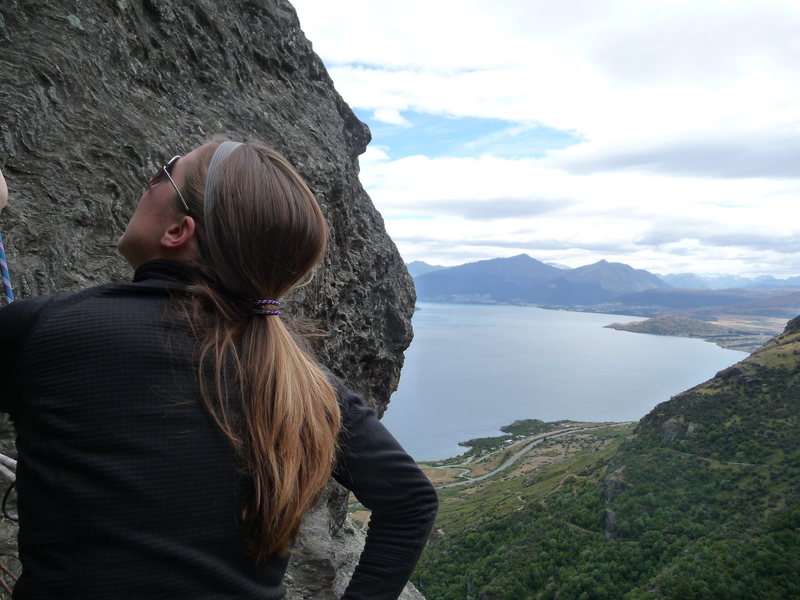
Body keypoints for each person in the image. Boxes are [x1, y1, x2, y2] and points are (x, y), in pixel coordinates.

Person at [0, 139, 438, 599]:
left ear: (179, 230)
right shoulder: (301, 381)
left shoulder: (47, 329)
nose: (147, 184)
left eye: (163, 173)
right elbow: (410, 501)